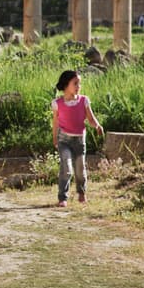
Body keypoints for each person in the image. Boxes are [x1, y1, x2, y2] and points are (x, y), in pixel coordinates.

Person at [51, 69, 104, 207]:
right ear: (65, 85)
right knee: (66, 168)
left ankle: (81, 193)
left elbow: (90, 118)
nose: (78, 86)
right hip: (64, 140)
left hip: (80, 140)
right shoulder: (57, 103)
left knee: (80, 169)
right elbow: (55, 122)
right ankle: (63, 197)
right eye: (75, 83)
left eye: (79, 83)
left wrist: (97, 126)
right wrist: (54, 138)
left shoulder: (83, 101)